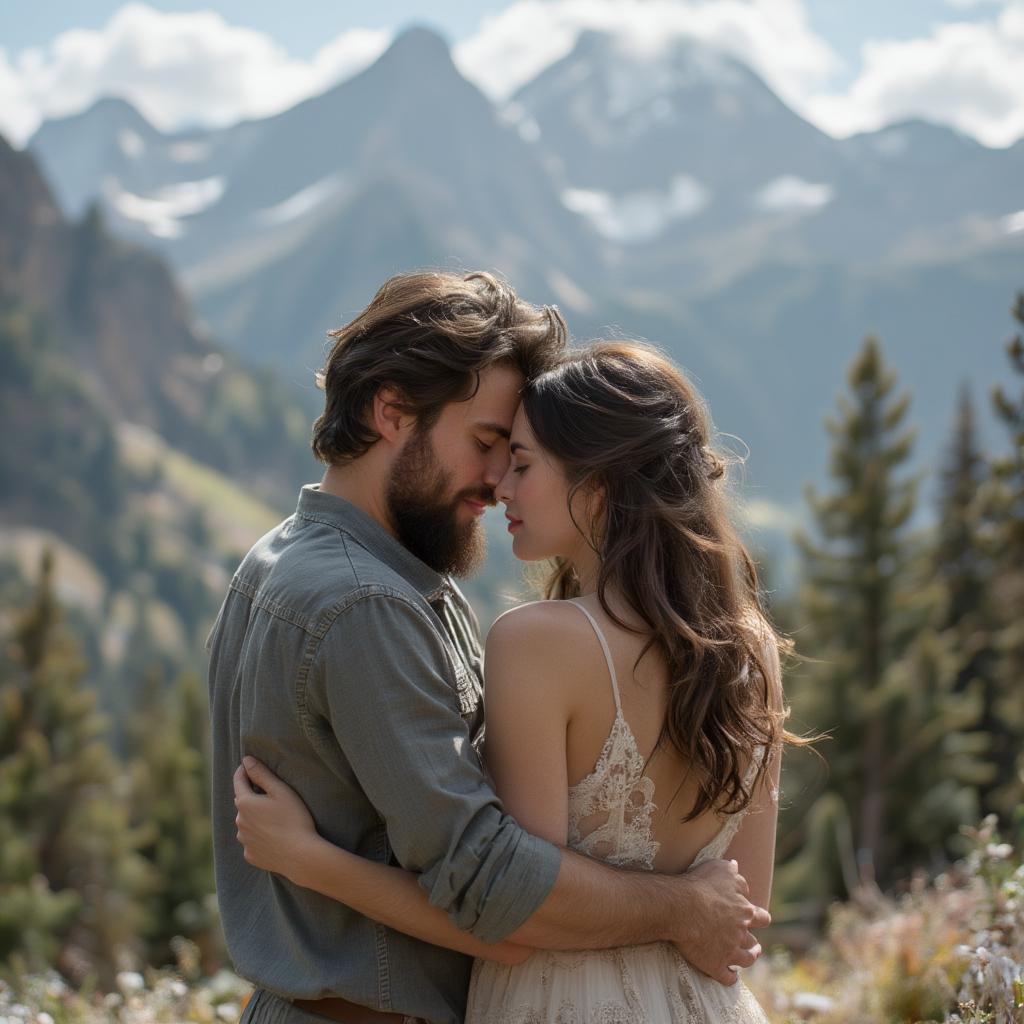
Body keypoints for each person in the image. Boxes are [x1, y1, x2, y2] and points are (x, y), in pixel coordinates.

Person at [231, 334, 795, 1023]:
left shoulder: (537, 642)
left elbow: (514, 915)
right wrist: (683, 914)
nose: (501, 484)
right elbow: (745, 915)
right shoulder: (752, 649)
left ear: (600, 483)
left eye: (522, 463)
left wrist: (309, 860)